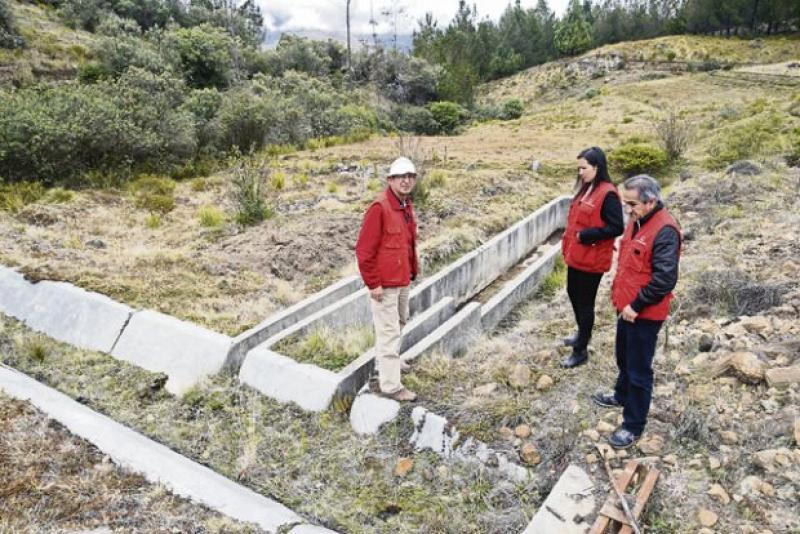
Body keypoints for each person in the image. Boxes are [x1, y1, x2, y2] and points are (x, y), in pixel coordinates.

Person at [592, 174, 681, 449]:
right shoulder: (636, 221)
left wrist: (637, 305)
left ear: (651, 200)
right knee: (623, 356)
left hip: (643, 313)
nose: (627, 210)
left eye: (632, 203)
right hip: (625, 307)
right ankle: (621, 394)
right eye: (625, 203)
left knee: (639, 369)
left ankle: (633, 424)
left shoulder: (665, 230)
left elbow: (665, 279)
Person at [355, 156, 420, 402]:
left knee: (401, 321)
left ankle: (390, 360)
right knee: (389, 332)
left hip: (402, 279)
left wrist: (411, 272)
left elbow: (407, 244)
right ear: (390, 179)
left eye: (410, 176)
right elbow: (363, 250)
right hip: (385, 285)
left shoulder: (405, 206)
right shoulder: (379, 208)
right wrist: (373, 284)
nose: (406, 181)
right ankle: (391, 386)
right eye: (401, 176)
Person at [560, 147, 623, 368]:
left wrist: (587, 235)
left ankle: (581, 350)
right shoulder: (586, 189)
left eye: (584, 168)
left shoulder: (608, 194)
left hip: (592, 259)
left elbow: (616, 227)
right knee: (572, 293)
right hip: (576, 255)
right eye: (578, 168)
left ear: (597, 167)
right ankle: (581, 333)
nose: (580, 173)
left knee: (585, 303)